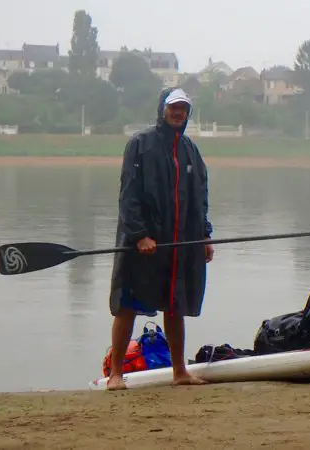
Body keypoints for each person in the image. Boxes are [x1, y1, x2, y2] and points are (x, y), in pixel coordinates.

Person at [106, 87, 214, 391]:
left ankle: (179, 371)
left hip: (178, 242)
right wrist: (140, 235)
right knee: (128, 305)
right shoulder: (140, 144)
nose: (177, 113)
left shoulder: (190, 150)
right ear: (162, 109)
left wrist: (205, 235)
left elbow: (200, 197)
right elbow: (129, 195)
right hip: (142, 243)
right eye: (173, 107)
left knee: (175, 304)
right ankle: (116, 374)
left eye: (183, 108)